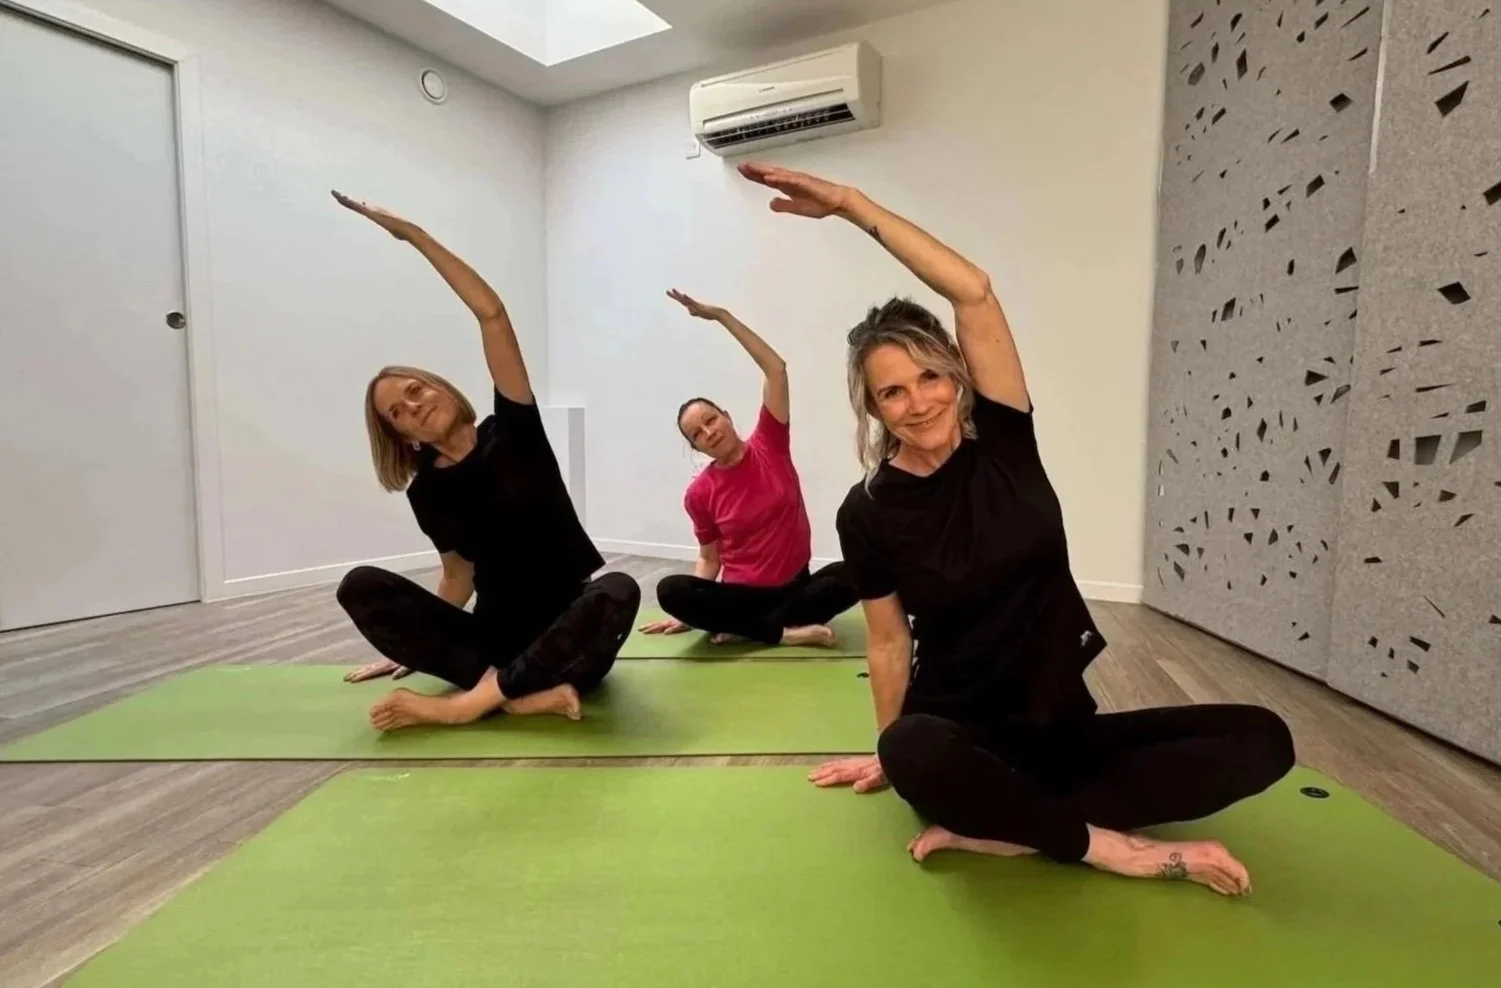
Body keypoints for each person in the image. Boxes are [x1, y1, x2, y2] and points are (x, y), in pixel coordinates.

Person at [738, 162, 1296, 896]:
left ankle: (1015, 827)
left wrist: (847, 204)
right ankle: (1097, 844)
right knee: (912, 748)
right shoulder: (868, 508)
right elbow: (885, 638)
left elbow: (971, 291)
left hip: (1060, 727)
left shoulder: (1004, 445)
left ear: (957, 376)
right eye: (891, 392)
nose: (916, 403)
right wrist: (889, 752)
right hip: (962, 735)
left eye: (929, 377)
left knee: (1262, 739)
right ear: (872, 408)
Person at [329, 190, 640, 732]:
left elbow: (491, 314)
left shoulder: (514, 429)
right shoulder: (426, 490)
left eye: (415, 390)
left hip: (566, 638)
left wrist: (415, 236)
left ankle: (472, 703)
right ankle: (512, 693)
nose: (414, 407)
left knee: (619, 590)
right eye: (398, 413)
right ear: (403, 437)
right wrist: (418, 640)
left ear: (441, 388)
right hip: (494, 641)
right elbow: (458, 575)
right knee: (361, 585)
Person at [639, 289, 857, 648]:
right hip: (742, 594)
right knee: (670, 589)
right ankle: (782, 633)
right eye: (697, 434)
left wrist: (722, 316)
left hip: (797, 586)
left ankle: (745, 628)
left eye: (710, 419)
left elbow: (776, 369)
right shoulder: (699, 493)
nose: (709, 431)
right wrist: (689, 610)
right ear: (695, 446)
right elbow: (709, 558)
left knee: (857, 569)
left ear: (725, 415)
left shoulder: (769, 442)